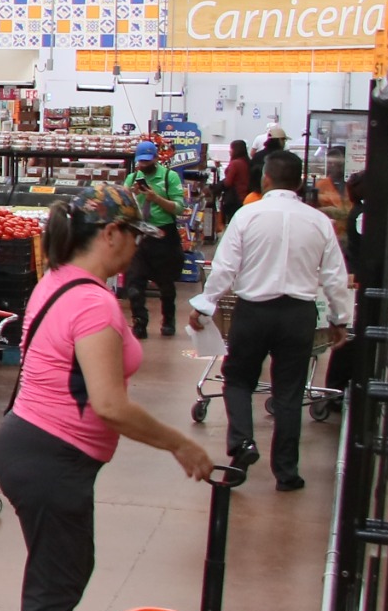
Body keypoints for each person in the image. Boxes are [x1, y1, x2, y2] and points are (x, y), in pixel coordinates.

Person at [0, 184, 215, 611]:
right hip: (49, 456)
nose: (137, 249)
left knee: (60, 573)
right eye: (134, 237)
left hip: (34, 446)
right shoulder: (91, 303)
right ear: (110, 234)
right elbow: (110, 404)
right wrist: (180, 444)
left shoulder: (58, 280)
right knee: (57, 580)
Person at [192, 149, 350, 491]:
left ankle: (243, 444)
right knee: (289, 392)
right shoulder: (318, 221)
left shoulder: (248, 216)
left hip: (253, 312)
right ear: (299, 183)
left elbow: (225, 268)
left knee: (237, 379)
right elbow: (335, 277)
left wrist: (205, 305)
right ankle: (287, 473)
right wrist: (340, 319)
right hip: (298, 314)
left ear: (265, 179)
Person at [121, 139, 186, 336]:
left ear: (156, 158)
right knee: (134, 282)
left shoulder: (169, 177)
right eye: (141, 161)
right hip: (140, 235)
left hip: (164, 235)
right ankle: (139, 321)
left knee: (166, 284)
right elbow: (122, 208)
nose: (144, 165)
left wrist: (156, 198)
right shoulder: (132, 179)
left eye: (148, 161)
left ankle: (168, 320)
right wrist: (129, 196)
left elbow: (179, 208)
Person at [219, 139, 252, 229]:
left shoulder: (235, 163)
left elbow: (228, 182)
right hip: (245, 197)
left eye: (231, 149)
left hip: (234, 198)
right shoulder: (247, 162)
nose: (229, 151)